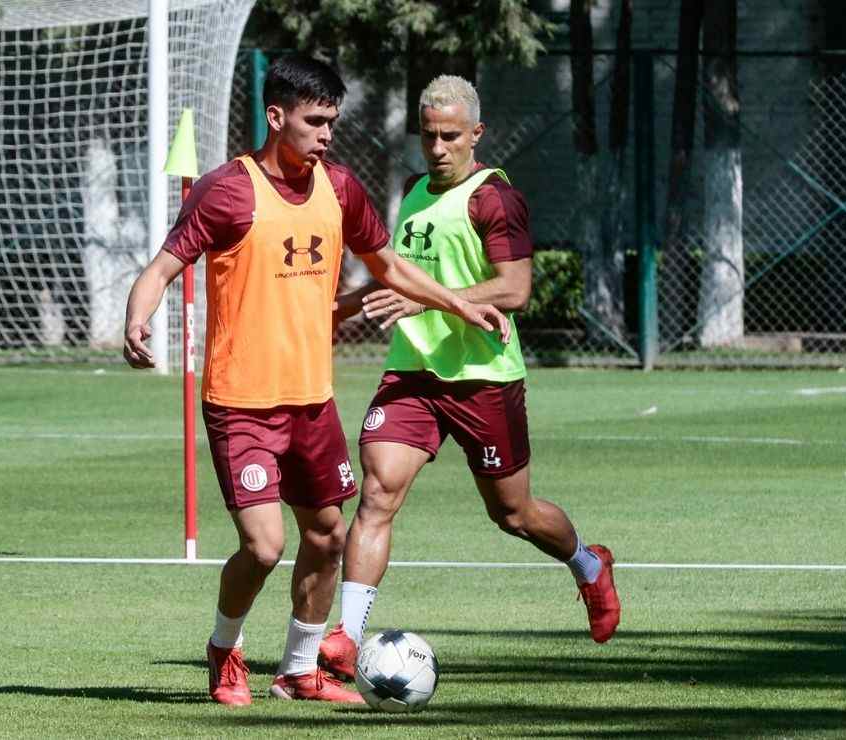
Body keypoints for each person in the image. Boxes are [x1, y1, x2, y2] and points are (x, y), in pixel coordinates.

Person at [123, 57, 510, 706]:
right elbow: (163, 266)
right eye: (315, 121)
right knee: (265, 545)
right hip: (241, 401)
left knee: (329, 534)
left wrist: (460, 303)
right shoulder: (228, 189)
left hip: (311, 403)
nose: (327, 134)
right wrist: (137, 318)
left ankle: (300, 670)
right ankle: (224, 649)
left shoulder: (340, 187)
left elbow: (386, 265)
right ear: (277, 117)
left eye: (333, 121)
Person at [319, 75, 621, 679]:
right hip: (413, 373)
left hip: (484, 377)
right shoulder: (412, 190)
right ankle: (346, 639)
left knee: (514, 515)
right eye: (428, 135)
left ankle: (589, 565)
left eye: (450, 136)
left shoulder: (494, 198)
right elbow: (400, 277)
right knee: (376, 497)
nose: (437, 147)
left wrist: (429, 303)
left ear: (476, 134)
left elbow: (516, 289)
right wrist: (340, 312)